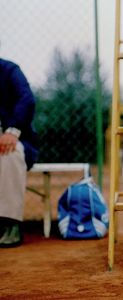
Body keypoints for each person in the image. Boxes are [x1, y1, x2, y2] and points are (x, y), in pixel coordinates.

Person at [0, 58, 39, 247]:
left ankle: (9, 223)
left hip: (15, 138)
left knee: (9, 152)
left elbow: (26, 98)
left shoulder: (9, 70)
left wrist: (12, 130)